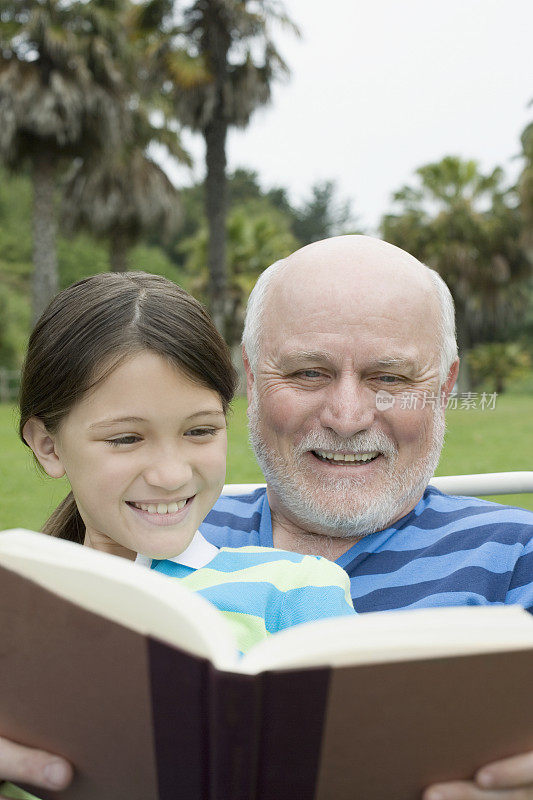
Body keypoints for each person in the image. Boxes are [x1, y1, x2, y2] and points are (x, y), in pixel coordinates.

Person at [197, 234, 533, 800]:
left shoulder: (518, 558)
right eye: (308, 373)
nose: (348, 417)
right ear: (252, 379)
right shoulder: (162, 532)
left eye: (392, 379)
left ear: (445, 389)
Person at [0, 271, 354, 800]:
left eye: (200, 431)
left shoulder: (297, 588)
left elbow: (356, 765)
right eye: (125, 438)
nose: (171, 474)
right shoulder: (18, 604)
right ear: (49, 446)